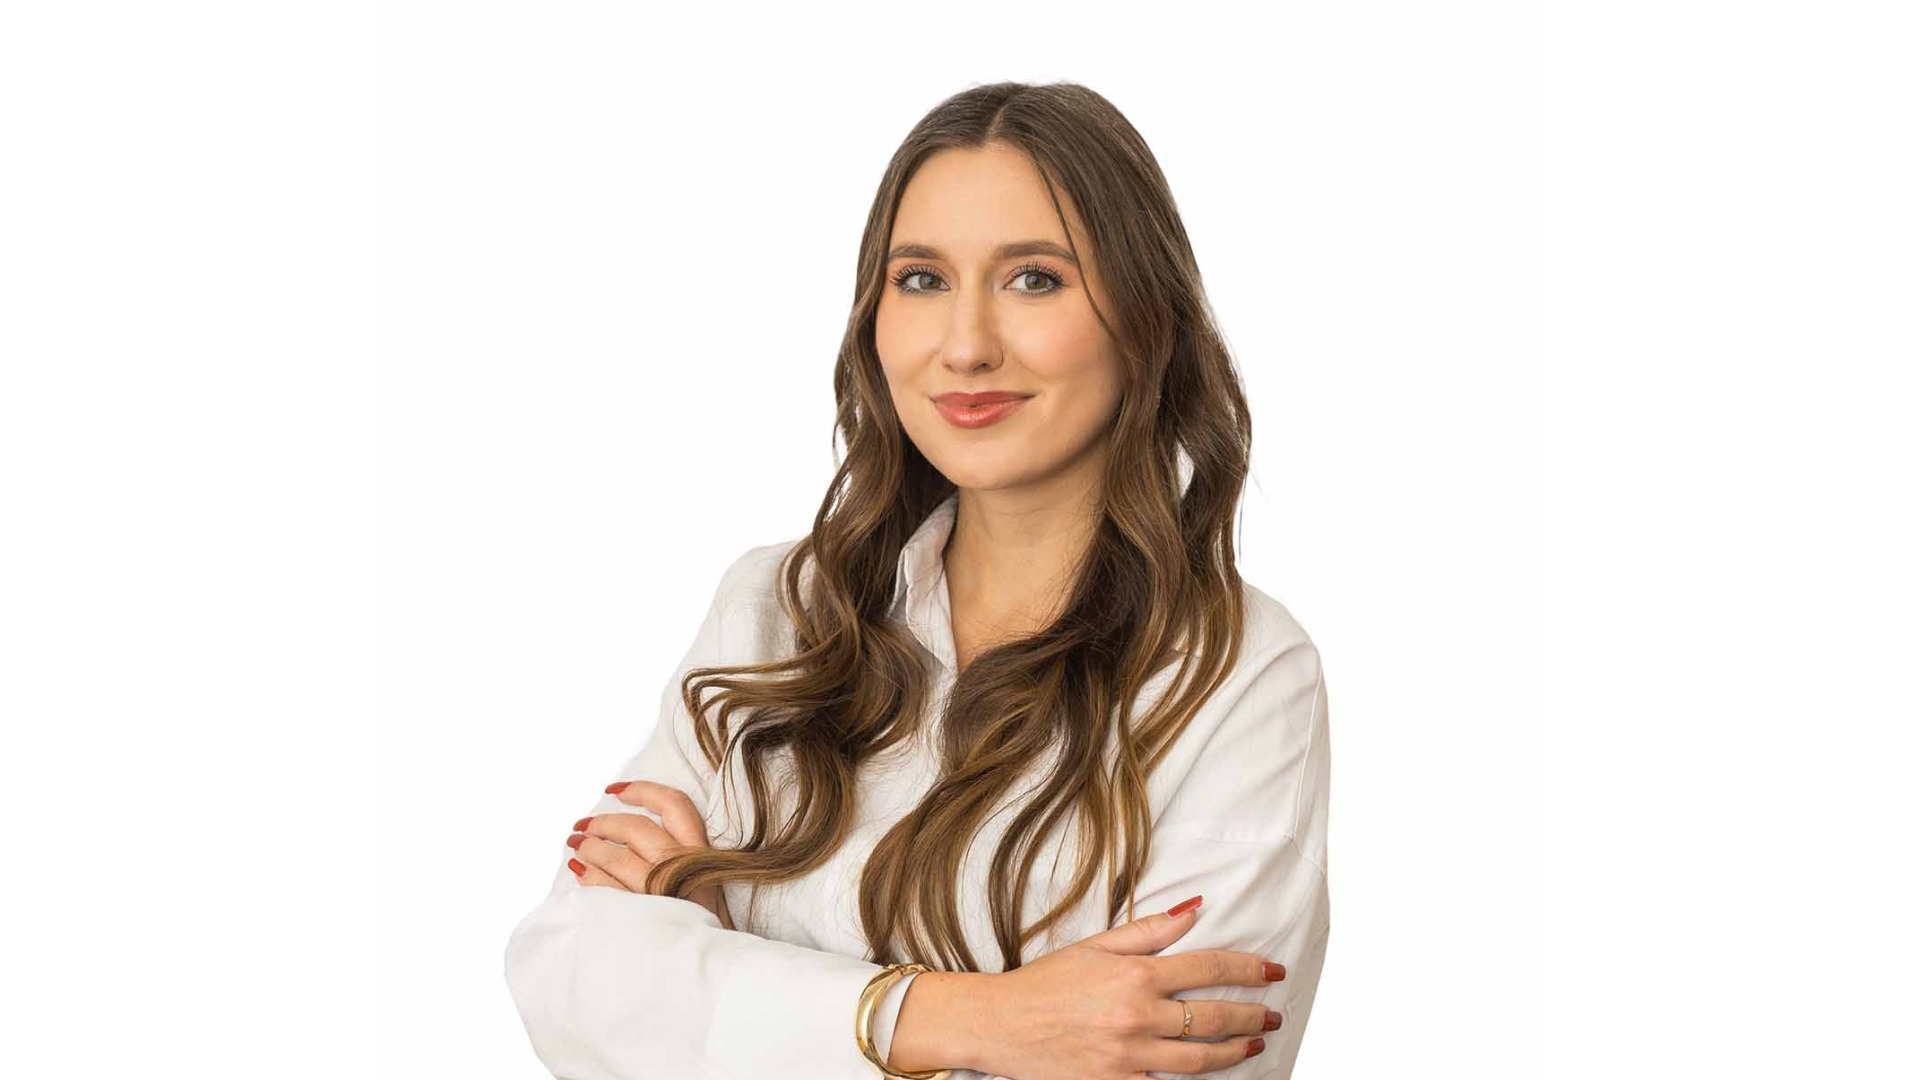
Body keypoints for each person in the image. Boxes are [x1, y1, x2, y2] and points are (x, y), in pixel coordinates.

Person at [503, 80, 1331, 1080]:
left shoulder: (1238, 673)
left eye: (1034, 279)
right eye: (922, 279)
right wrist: (979, 1021)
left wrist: (717, 970)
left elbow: (1167, 1064)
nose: (966, 346)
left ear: (1144, 316)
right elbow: (569, 982)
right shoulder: (778, 609)